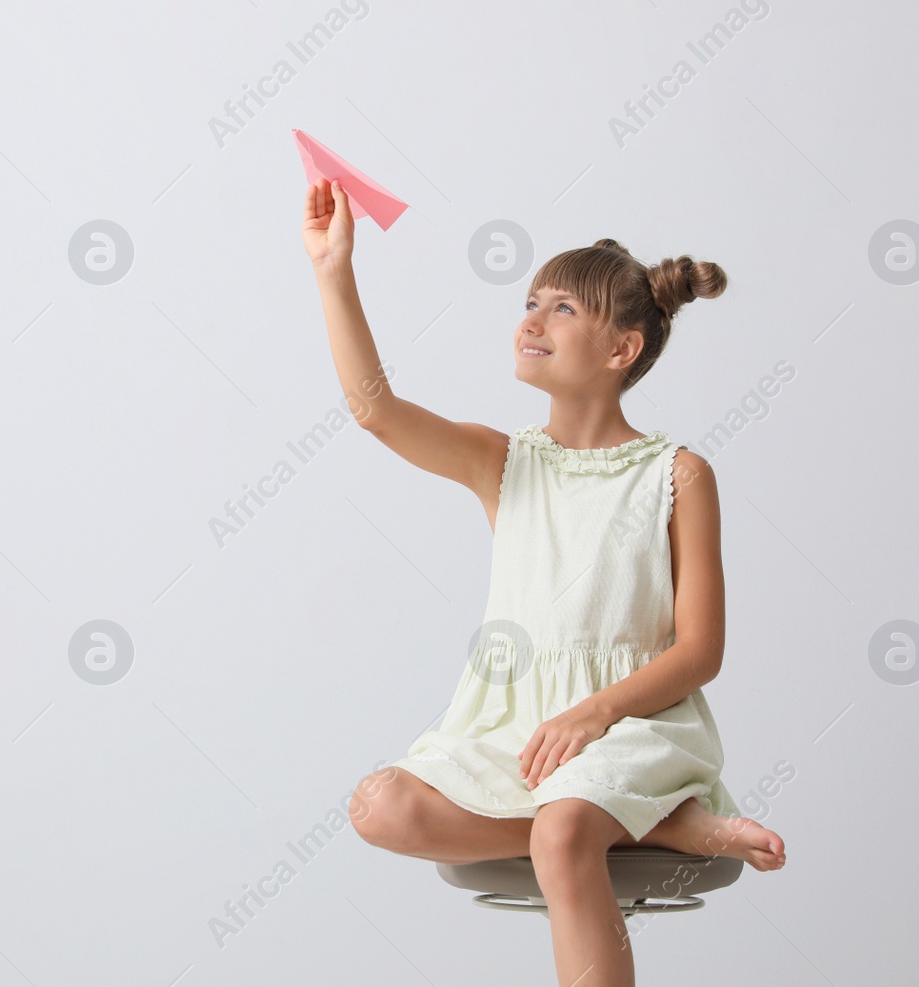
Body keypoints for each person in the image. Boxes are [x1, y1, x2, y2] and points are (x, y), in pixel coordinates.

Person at [301, 177, 786, 987]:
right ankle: (666, 825)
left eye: (563, 308)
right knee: (378, 806)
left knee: (562, 833)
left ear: (620, 349)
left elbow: (701, 650)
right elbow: (374, 408)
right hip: (521, 729)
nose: (532, 318)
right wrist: (333, 270)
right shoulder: (505, 463)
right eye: (532, 300)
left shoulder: (679, 474)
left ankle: (644, 805)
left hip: (632, 726)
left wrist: (595, 712)